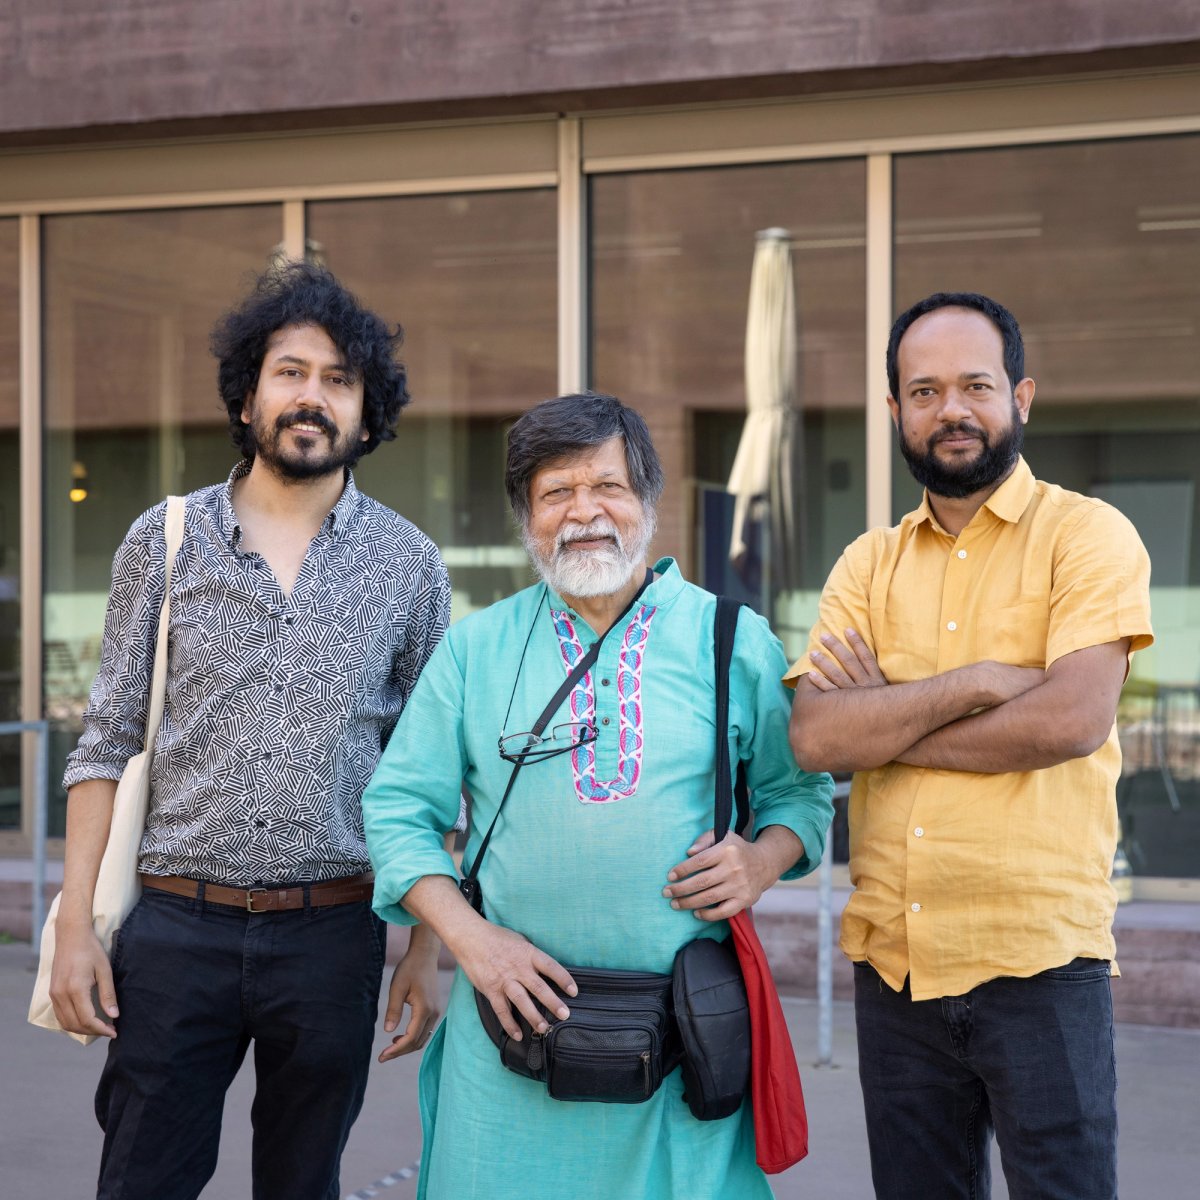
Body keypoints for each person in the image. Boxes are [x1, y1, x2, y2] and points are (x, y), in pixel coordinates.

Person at [361, 391, 833, 1200]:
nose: (585, 513)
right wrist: (469, 942)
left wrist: (762, 859)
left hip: (683, 1046)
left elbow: (802, 792)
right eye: (556, 494)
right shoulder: (475, 650)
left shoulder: (730, 639)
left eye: (607, 487)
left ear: (647, 499)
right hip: (509, 1041)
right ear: (527, 518)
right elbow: (399, 811)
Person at [49, 261, 452, 1200]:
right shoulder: (167, 538)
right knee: (141, 1179)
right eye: (291, 371)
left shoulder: (409, 565)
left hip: (334, 936)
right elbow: (104, 740)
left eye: (338, 380)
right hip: (174, 931)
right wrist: (75, 922)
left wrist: (426, 951)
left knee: (302, 1185)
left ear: (366, 413)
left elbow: (432, 774)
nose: (313, 397)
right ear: (247, 397)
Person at [787, 292, 1153, 1200]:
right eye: (924, 391)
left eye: (975, 386)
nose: (951, 410)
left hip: (1041, 964)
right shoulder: (866, 565)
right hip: (895, 967)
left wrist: (890, 720)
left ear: (1021, 396)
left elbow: (1071, 720)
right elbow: (818, 736)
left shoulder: (1088, 536)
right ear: (895, 412)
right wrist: (979, 683)